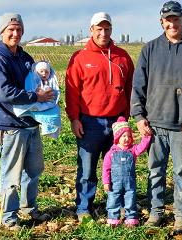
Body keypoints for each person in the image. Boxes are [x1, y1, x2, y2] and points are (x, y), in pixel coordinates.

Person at [131, 0, 182, 234]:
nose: (172, 23)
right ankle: (156, 211)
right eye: (168, 19)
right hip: (154, 124)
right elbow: (138, 86)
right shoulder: (150, 49)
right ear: (161, 22)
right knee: (155, 171)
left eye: (176, 18)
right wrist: (139, 116)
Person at [0, 13, 53, 230]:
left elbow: (35, 80)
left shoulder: (24, 57)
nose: (15, 34)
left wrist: (46, 83)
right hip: (10, 126)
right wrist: (36, 97)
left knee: (34, 170)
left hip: (30, 123)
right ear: (2, 32)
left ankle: (28, 208)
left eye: (18, 29)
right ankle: (9, 217)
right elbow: (4, 93)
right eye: (10, 30)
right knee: (11, 173)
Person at [65, 12, 134, 221]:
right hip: (89, 122)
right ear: (91, 30)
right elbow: (72, 90)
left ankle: (117, 206)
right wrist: (74, 118)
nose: (103, 33)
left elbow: (131, 88)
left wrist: (126, 117)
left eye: (107, 29)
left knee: (118, 168)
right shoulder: (80, 57)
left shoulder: (122, 57)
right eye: (99, 29)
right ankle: (84, 208)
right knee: (87, 169)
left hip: (117, 123)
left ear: (111, 30)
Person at [102, 116, 151, 227]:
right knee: (113, 200)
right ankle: (113, 219)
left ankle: (131, 218)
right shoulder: (111, 153)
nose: (126, 139)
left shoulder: (132, 150)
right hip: (115, 183)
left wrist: (146, 137)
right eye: (123, 136)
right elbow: (106, 168)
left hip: (130, 182)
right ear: (117, 137)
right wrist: (106, 182)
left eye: (129, 136)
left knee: (130, 199)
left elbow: (142, 147)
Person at [13, 61, 61, 138]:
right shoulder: (32, 79)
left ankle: (50, 129)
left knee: (54, 113)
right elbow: (30, 89)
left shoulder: (50, 81)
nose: (44, 74)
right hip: (36, 101)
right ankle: (48, 127)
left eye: (47, 72)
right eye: (41, 71)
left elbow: (54, 91)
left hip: (48, 102)